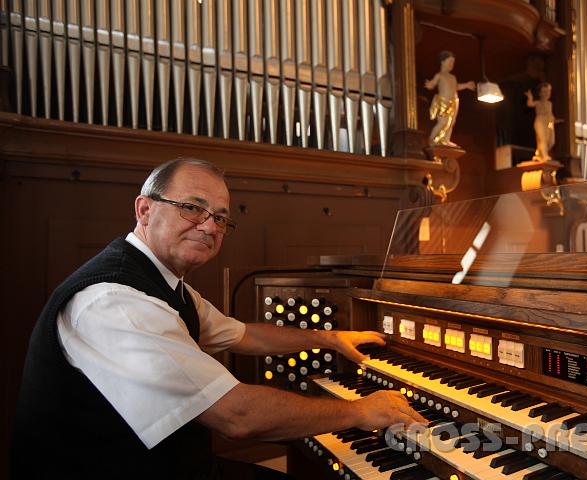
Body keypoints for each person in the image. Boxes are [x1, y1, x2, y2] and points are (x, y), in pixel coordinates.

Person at [11, 157, 426, 479]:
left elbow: (244, 336)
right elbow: (237, 417)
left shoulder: (163, 282)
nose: (210, 226)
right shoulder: (115, 301)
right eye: (193, 208)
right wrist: (359, 411)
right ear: (144, 209)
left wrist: (330, 338)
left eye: (222, 218)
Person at [424, 50, 476, 147]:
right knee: (442, 122)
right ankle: (431, 140)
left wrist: (466, 85)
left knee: (451, 122)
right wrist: (429, 85)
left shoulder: (453, 77)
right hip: (443, 102)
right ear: (442, 61)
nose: (452, 64)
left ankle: (446, 140)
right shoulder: (439, 75)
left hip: (454, 102)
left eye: (453, 62)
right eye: (450, 61)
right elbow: (432, 84)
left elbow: (456, 87)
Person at [524, 82, 556, 162]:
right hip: (540, 121)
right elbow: (530, 104)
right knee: (543, 139)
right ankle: (544, 156)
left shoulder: (549, 103)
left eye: (548, 92)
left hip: (549, 122)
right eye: (544, 92)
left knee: (551, 141)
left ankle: (539, 153)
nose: (547, 94)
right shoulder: (538, 103)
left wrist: (552, 121)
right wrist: (530, 98)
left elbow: (550, 114)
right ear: (540, 93)